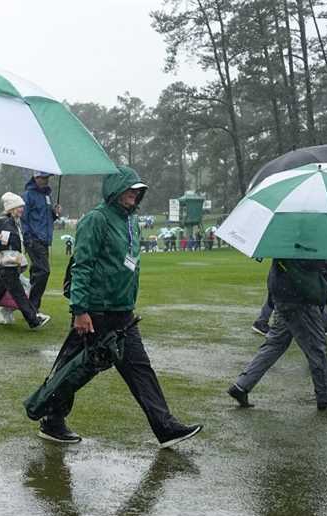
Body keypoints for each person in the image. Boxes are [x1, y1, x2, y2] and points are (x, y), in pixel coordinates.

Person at [36, 166, 202, 448]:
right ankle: (51, 419)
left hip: (122, 312)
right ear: (115, 190)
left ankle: (165, 427)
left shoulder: (131, 221)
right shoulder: (96, 220)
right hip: (95, 311)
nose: (133, 195)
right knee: (71, 369)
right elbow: (82, 266)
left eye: (137, 191)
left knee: (139, 369)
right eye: (129, 189)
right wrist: (80, 309)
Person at [227, 258, 327, 412]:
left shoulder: (283, 241)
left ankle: (241, 386)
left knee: (275, 345)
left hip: (283, 295)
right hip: (300, 298)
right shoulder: (304, 242)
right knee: (317, 348)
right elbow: (310, 265)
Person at [0, 192, 49, 330]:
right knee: (19, 294)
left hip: (11, 263)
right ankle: (34, 320)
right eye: (19, 206)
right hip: (5, 265)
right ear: (11, 207)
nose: (22, 209)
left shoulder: (15, 222)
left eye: (22, 207)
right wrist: (2, 242)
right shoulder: (2, 221)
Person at [22, 171, 61, 312]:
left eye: (48, 178)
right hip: (34, 239)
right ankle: (32, 307)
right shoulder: (28, 195)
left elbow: (46, 219)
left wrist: (54, 214)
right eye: (44, 178)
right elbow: (24, 219)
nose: (46, 181)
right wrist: (27, 239)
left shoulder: (46, 196)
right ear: (36, 177)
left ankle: (30, 307)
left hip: (45, 240)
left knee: (36, 273)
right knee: (44, 271)